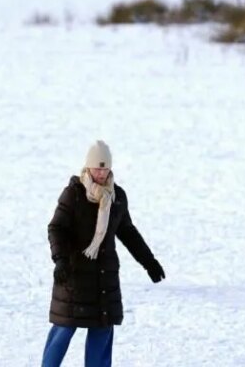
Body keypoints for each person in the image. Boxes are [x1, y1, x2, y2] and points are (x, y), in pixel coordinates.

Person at [43, 140, 165, 367]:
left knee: (101, 332)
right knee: (64, 328)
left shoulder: (116, 197)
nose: (101, 172)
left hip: (103, 279)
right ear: (88, 167)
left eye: (105, 167)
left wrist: (149, 262)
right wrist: (60, 260)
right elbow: (56, 228)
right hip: (74, 274)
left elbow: (128, 232)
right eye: (97, 167)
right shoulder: (74, 194)